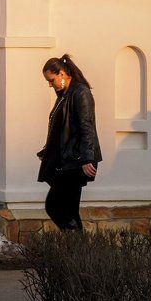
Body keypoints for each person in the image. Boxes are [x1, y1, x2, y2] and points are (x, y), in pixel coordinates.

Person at [37, 54, 102, 231]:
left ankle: (76, 246)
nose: (50, 85)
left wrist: (87, 158)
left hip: (76, 162)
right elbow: (61, 128)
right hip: (66, 161)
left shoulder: (80, 93)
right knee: (69, 210)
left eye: (51, 80)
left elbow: (86, 125)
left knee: (54, 206)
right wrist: (48, 150)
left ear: (63, 73)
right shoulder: (64, 95)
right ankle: (77, 251)